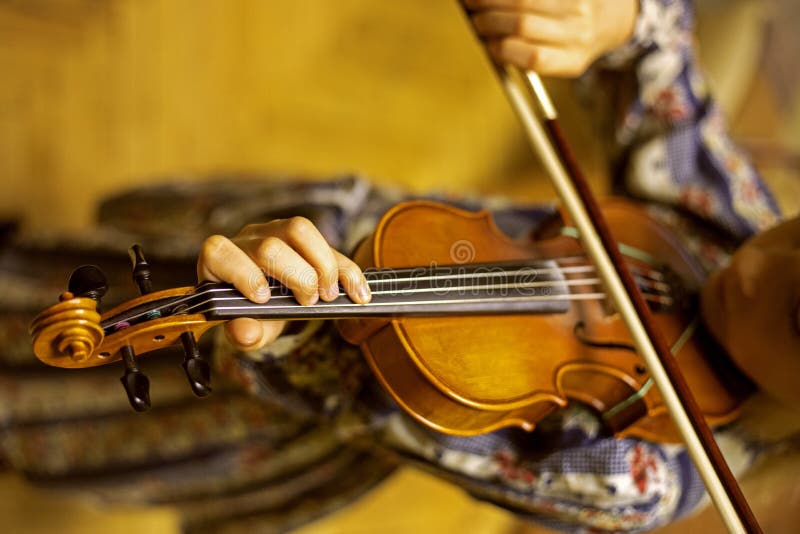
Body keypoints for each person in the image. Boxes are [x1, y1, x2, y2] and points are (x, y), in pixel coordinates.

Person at [2, 0, 796, 532]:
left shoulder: (643, 477)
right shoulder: (740, 226)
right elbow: (666, 92)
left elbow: (394, 414)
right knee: (98, 276)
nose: (757, 271)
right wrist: (621, 22)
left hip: (289, 398)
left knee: (49, 405)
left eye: (799, 320)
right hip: (350, 236)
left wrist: (291, 332)